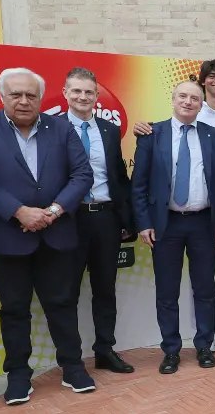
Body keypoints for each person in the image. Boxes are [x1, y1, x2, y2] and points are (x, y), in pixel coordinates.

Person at [0, 68, 96, 404]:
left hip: (56, 233)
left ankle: (72, 367)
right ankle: (19, 375)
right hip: (6, 235)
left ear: (40, 98)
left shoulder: (61, 127)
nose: (24, 101)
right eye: (16, 94)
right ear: (2, 96)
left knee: (62, 304)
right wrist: (19, 211)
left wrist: (52, 211)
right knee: (14, 309)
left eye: (31, 95)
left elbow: (83, 175)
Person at [131, 81, 215, 374]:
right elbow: (139, 185)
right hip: (166, 224)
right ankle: (171, 350)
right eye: (183, 96)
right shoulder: (152, 134)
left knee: (205, 288)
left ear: (201, 104)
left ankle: (204, 346)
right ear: (173, 100)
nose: (188, 102)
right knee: (167, 290)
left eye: (195, 98)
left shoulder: (214, 137)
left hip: (203, 223)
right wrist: (144, 223)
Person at [62, 68, 135, 374]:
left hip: (105, 218)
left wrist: (126, 219)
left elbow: (118, 175)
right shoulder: (52, 128)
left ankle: (105, 350)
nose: (83, 97)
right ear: (66, 93)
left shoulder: (108, 130)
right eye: (76, 91)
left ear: (96, 96)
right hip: (69, 219)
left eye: (89, 92)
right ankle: (71, 358)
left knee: (105, 289)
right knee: (66, 292)